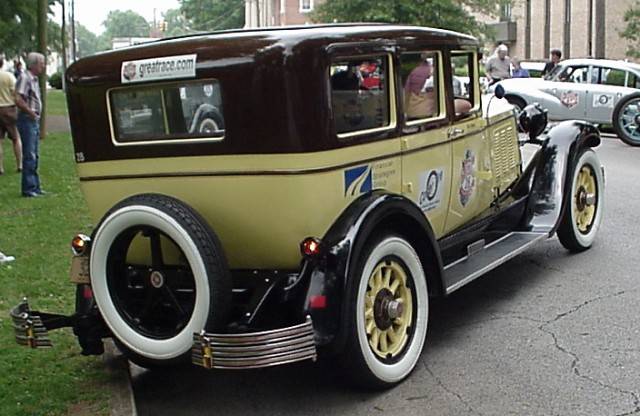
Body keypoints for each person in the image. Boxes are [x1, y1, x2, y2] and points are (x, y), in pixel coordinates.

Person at [15, 52, 45, 197]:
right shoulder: (25, 78)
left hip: (33, 120)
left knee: (35, 155)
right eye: (41, 64)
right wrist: (31, 112)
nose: (43, 67)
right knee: (30, 154)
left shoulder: (34, 79)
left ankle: (35, 187)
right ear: (33, 65)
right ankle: (28, 189)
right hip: (27, 120)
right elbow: (18, 99)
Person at [0, 55, 23, 174]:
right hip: (9, 108)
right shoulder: (8, 76)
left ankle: (0, 167)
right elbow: (15, 92)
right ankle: (19, 164)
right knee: (15, 138)